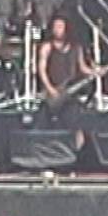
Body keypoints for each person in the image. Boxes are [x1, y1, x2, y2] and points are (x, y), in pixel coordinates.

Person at [37, 15, 102, 147]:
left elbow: (82, 68)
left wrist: (95, 72)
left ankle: (78, 149)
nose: (57, 30)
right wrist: (50, 89)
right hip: (53, 91)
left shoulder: (76, 48)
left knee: (76, 121)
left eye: (60, 27)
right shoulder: (47, 47)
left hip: (71, 91)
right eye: (55, 27)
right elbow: (41, 70)